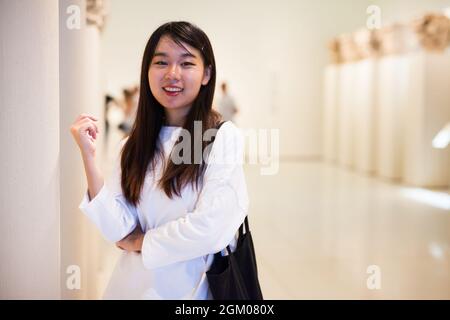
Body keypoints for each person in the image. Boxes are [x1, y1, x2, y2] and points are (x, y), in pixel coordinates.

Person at [70, 21, 248, 299]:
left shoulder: (220, 137)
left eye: (187, 64)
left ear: (206, 74)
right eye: (161, 63)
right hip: (132, 286)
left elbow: (212, 228)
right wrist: (89, 158)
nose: (172, 74)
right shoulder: (132, 144)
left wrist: (143, 241)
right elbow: (118, 229)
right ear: (147, 71)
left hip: (192, 289)